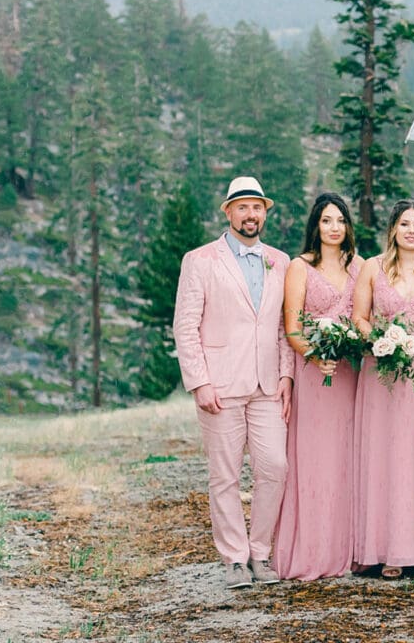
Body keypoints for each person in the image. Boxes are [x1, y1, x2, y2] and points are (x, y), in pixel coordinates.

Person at [173, 176, 294, 589]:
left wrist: (286, 374)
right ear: (228, 212)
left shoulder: (281, 261)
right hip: (220, 387)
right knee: (224, 475)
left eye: (257, 207)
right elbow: (185, 327)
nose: (250, 214)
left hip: (266, 386)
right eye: (242, 207)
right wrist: (199, 382)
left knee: (274, 467)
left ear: (266, 212)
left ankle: (261, 552)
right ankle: (234, 559)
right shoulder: (200, 260)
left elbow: (282, 326)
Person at [351, 199, 414, 579]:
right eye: (404, 224)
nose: (411, 230)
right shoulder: (372, 267)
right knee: (388, 455)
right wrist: (382, 339)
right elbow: (359, 318)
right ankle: (388, 549)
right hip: (384, 371)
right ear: (393, 229)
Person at [273, 193, 364, 580]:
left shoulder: (360, 267)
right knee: (313, 460)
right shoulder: (299, 267)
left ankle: (351, 548)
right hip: (315, 373)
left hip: (349, 375)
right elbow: (291, 325)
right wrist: (313, 355)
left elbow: (366, 316)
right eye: (327, 220)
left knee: (349, 457)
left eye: (340, 220)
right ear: (316, 226)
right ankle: (311, 550)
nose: (334, 227)